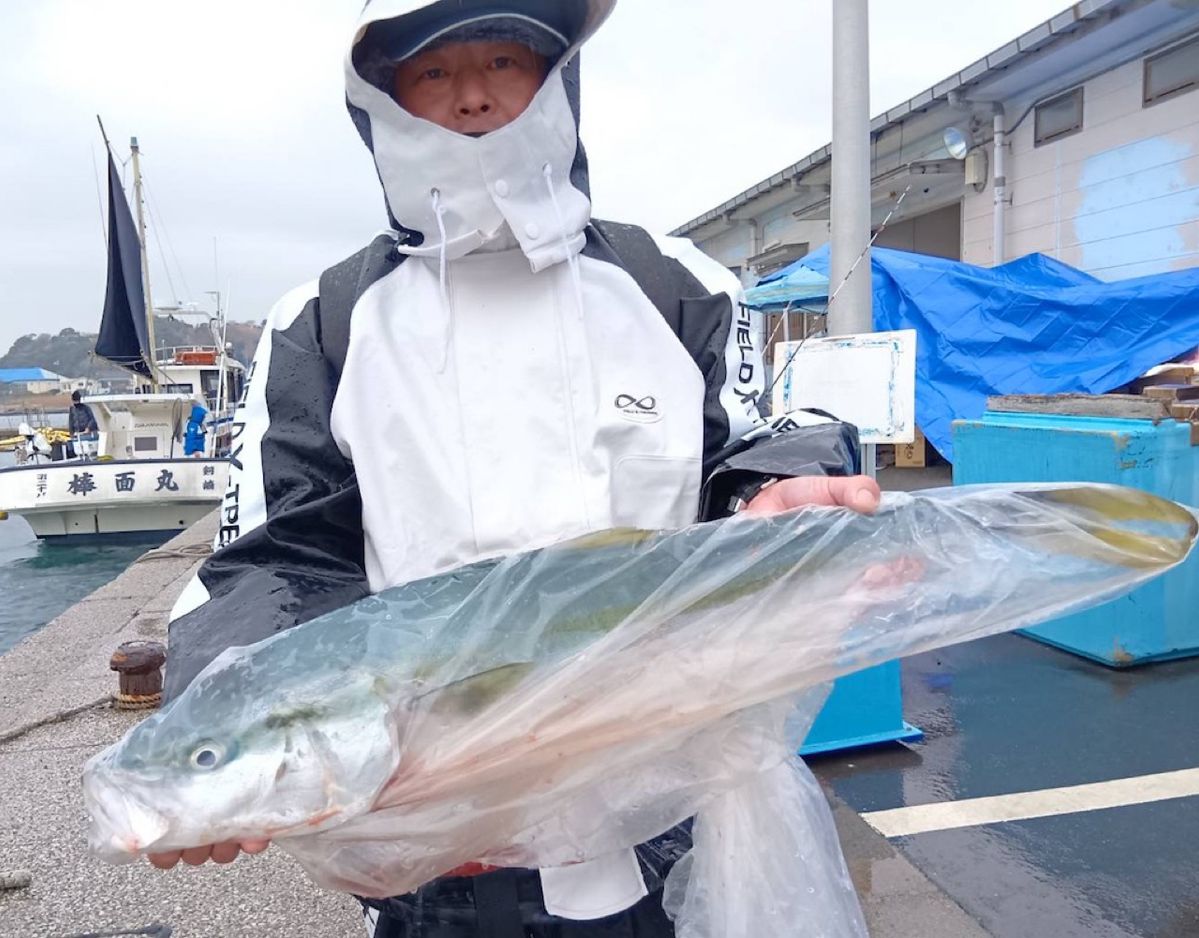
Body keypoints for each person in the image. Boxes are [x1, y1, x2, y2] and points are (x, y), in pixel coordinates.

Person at [150, 2, 882, 935]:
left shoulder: (671, 280)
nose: (471, 98)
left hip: (658, 813)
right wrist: (221, 731)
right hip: (436, 841)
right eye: (430, 71)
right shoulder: (324, 319)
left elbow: (749, 449)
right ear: (380, 98)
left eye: (504, 59)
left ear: (558, 75)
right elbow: (272, 560)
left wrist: (774, 494)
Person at [68, 389, 99, 459]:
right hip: (78, 433)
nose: (75, 403)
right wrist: (71, 434)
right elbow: (71, 422)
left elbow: (93, 419)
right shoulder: (72, 409)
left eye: (77, 401)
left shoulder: (86, 408)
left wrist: (88, 427)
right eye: (74, 401)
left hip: (87, 432)